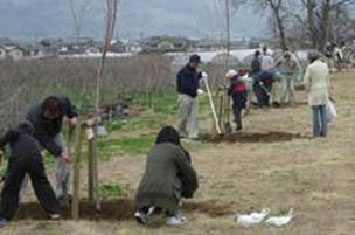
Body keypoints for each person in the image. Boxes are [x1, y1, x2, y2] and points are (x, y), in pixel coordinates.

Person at [0, 122, 60, 228]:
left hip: (19, 159)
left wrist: (2, 146)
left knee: (11, 187)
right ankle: (54, 212)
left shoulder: (15, 133)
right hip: (36, 158)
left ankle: (4, 217)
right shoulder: (32, 140)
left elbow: (8, 141)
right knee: (42, 184)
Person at [134, 126, 198, 225]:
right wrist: (191, 189)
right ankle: (172, 214)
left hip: (143, 192)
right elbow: (188, 173)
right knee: (176, 179)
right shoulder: (176, 151)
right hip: (167, 193)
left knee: (157, 179)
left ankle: (143, 212)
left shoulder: (153, 150)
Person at [26, 95, 78, 204]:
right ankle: (15, 198)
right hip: (35, 137)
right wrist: (59, 151)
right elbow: (44, 140)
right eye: (47, 115)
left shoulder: (62, 102)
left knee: (64, 161)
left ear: (58, 112)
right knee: (26, 162)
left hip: (54, 133)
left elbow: (70, 107)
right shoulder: (34, 116)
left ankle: (61, 194)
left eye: (51, 116)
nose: (48, 117)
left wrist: (73, 116)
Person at [176, 54, 204, 141]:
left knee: (194, 116)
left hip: (194, 97)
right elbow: (185, 85)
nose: (197, 65)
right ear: (192, 62)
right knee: (183, 116)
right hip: (185, 96)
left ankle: (193, 134)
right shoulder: (184, 72)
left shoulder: (194, 71)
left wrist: (200, 75)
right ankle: (181, 133)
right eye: (196, 63)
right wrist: (195, 90)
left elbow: (194, 80)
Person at [304, 52, 331, 138]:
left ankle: (316, 133)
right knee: (324, 112)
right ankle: (324, 132)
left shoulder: (310, 67)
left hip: (315, 90)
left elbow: (306, 80)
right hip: (324, 90)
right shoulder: (325, 65)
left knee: (315, 113)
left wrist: (307, 89)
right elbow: (327, 78)